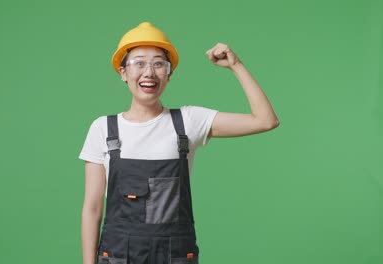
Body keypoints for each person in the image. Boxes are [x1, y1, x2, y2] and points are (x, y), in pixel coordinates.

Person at [80, 22, 279, 264]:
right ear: (123, 72)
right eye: (139, 63)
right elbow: (92, 208)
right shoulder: (103, 128)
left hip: (174, 256)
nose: (149, 72)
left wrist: (236, 65)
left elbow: (266, 120)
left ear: (169, 73)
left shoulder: (188, 121)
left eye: (158, 63)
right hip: (118, 255)